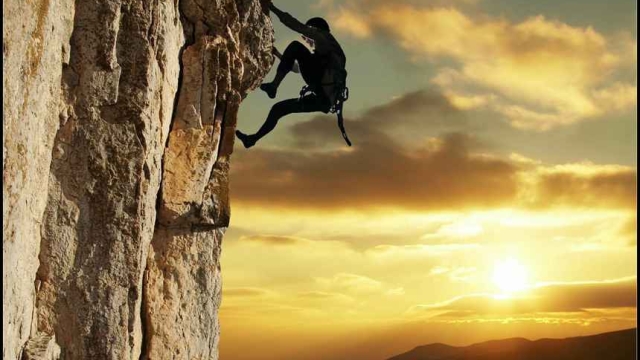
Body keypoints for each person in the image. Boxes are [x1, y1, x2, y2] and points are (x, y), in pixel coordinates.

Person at [235, 2, 347, 149]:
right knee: (278, 109)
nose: (306, 39)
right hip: (323, 100)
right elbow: (297, 69)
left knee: (295, 46)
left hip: (321, 93)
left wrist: (272, 8)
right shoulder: (328, 55)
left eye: (308, 35)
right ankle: (252, 139)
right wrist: (278, 54)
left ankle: (274, 86)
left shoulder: (324, 38)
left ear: (315, 30)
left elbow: (296, 26)